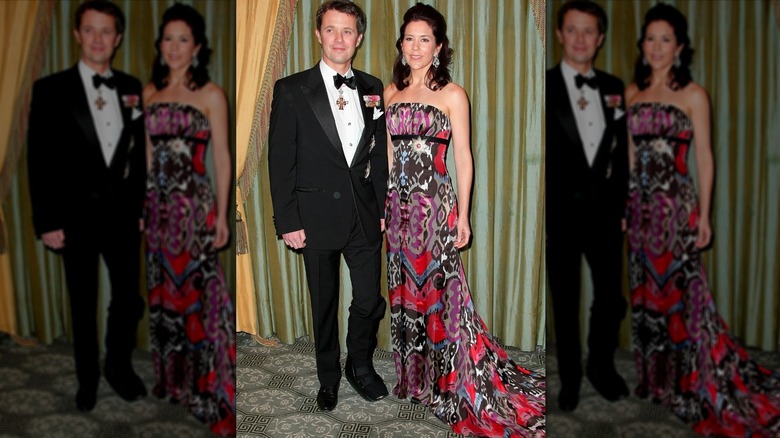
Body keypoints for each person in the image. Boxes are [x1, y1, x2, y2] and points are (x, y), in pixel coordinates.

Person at [384, 4, 545, 436]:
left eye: (424, 39)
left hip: (435, 209)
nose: (415, 47)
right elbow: (388, 154)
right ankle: (413, 379)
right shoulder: (389, 92)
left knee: (440, 294)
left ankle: (446, 381)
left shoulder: (453, 94)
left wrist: (465, 216)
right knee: (403, 294)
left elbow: (463, 157)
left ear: (438, 47)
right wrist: (384, 205)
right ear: (401, 44)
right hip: (397, 212)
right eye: (409, 38)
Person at [625, 3, 780, 436]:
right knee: (645, 297)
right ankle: (655, 381)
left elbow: (705, 158)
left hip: (677, 211)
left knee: (681, 298)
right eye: (650, 38)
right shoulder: (632, 93)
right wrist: (625, 207)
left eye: (665, 39)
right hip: (640, 212)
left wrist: (705, 215)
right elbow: (631, 159)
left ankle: (686, 381)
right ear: (642, 45)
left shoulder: (694, 94)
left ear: (680, 47)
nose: (656, 47)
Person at [267, 0, 389, 412]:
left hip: (364, 214)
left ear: (359, 38)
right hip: (313, 218)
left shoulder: (373, 87)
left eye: (348, 31)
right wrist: (287, 220)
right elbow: (280, 161)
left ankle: (359, 363)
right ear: (318, 34)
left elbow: (378, 157)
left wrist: (384, 205)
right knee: (324, 305)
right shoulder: (290, 88)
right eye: (332, 30)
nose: (340, 38)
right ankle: (328, 377)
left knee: (370, 299)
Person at [26, 0, 147, 412]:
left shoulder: (132, 87)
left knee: (129, 300)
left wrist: (143, 206)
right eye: (90, 30)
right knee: (82, 303)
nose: (98, 38)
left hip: (124, 218)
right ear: (78, 34)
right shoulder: (49, 89)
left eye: (107, 31)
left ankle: (117, 366)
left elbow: (138, 158)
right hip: (72, 219)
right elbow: (38, 161)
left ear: (118, 38)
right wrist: (46, 221)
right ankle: (87, 379)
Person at [143, 4, 235, 435]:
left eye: (184, 39)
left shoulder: (211, 94)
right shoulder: (149, 93)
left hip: (196, 212)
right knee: (164, 298)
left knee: (198, 299)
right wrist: (143, 208)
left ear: (197, 46)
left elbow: (221, 157)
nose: (174, 47)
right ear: (160, 46)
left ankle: (204, 386)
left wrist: (221, 216)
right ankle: (173, 380)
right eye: (168, 39)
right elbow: (146, 158)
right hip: (158, 214)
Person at [546, 0, 630, 412]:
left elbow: (623, 156)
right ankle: (572, 380)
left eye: (589, 31)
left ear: (600, 38)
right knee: (565, 302)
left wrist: (625, 206)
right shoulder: (546, 84)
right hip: (560, 216)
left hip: (606, 214)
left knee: (611, 299)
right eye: (573, 30)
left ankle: (600, 366)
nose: (581, 38)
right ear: (560, 34)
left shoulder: (615, 88)